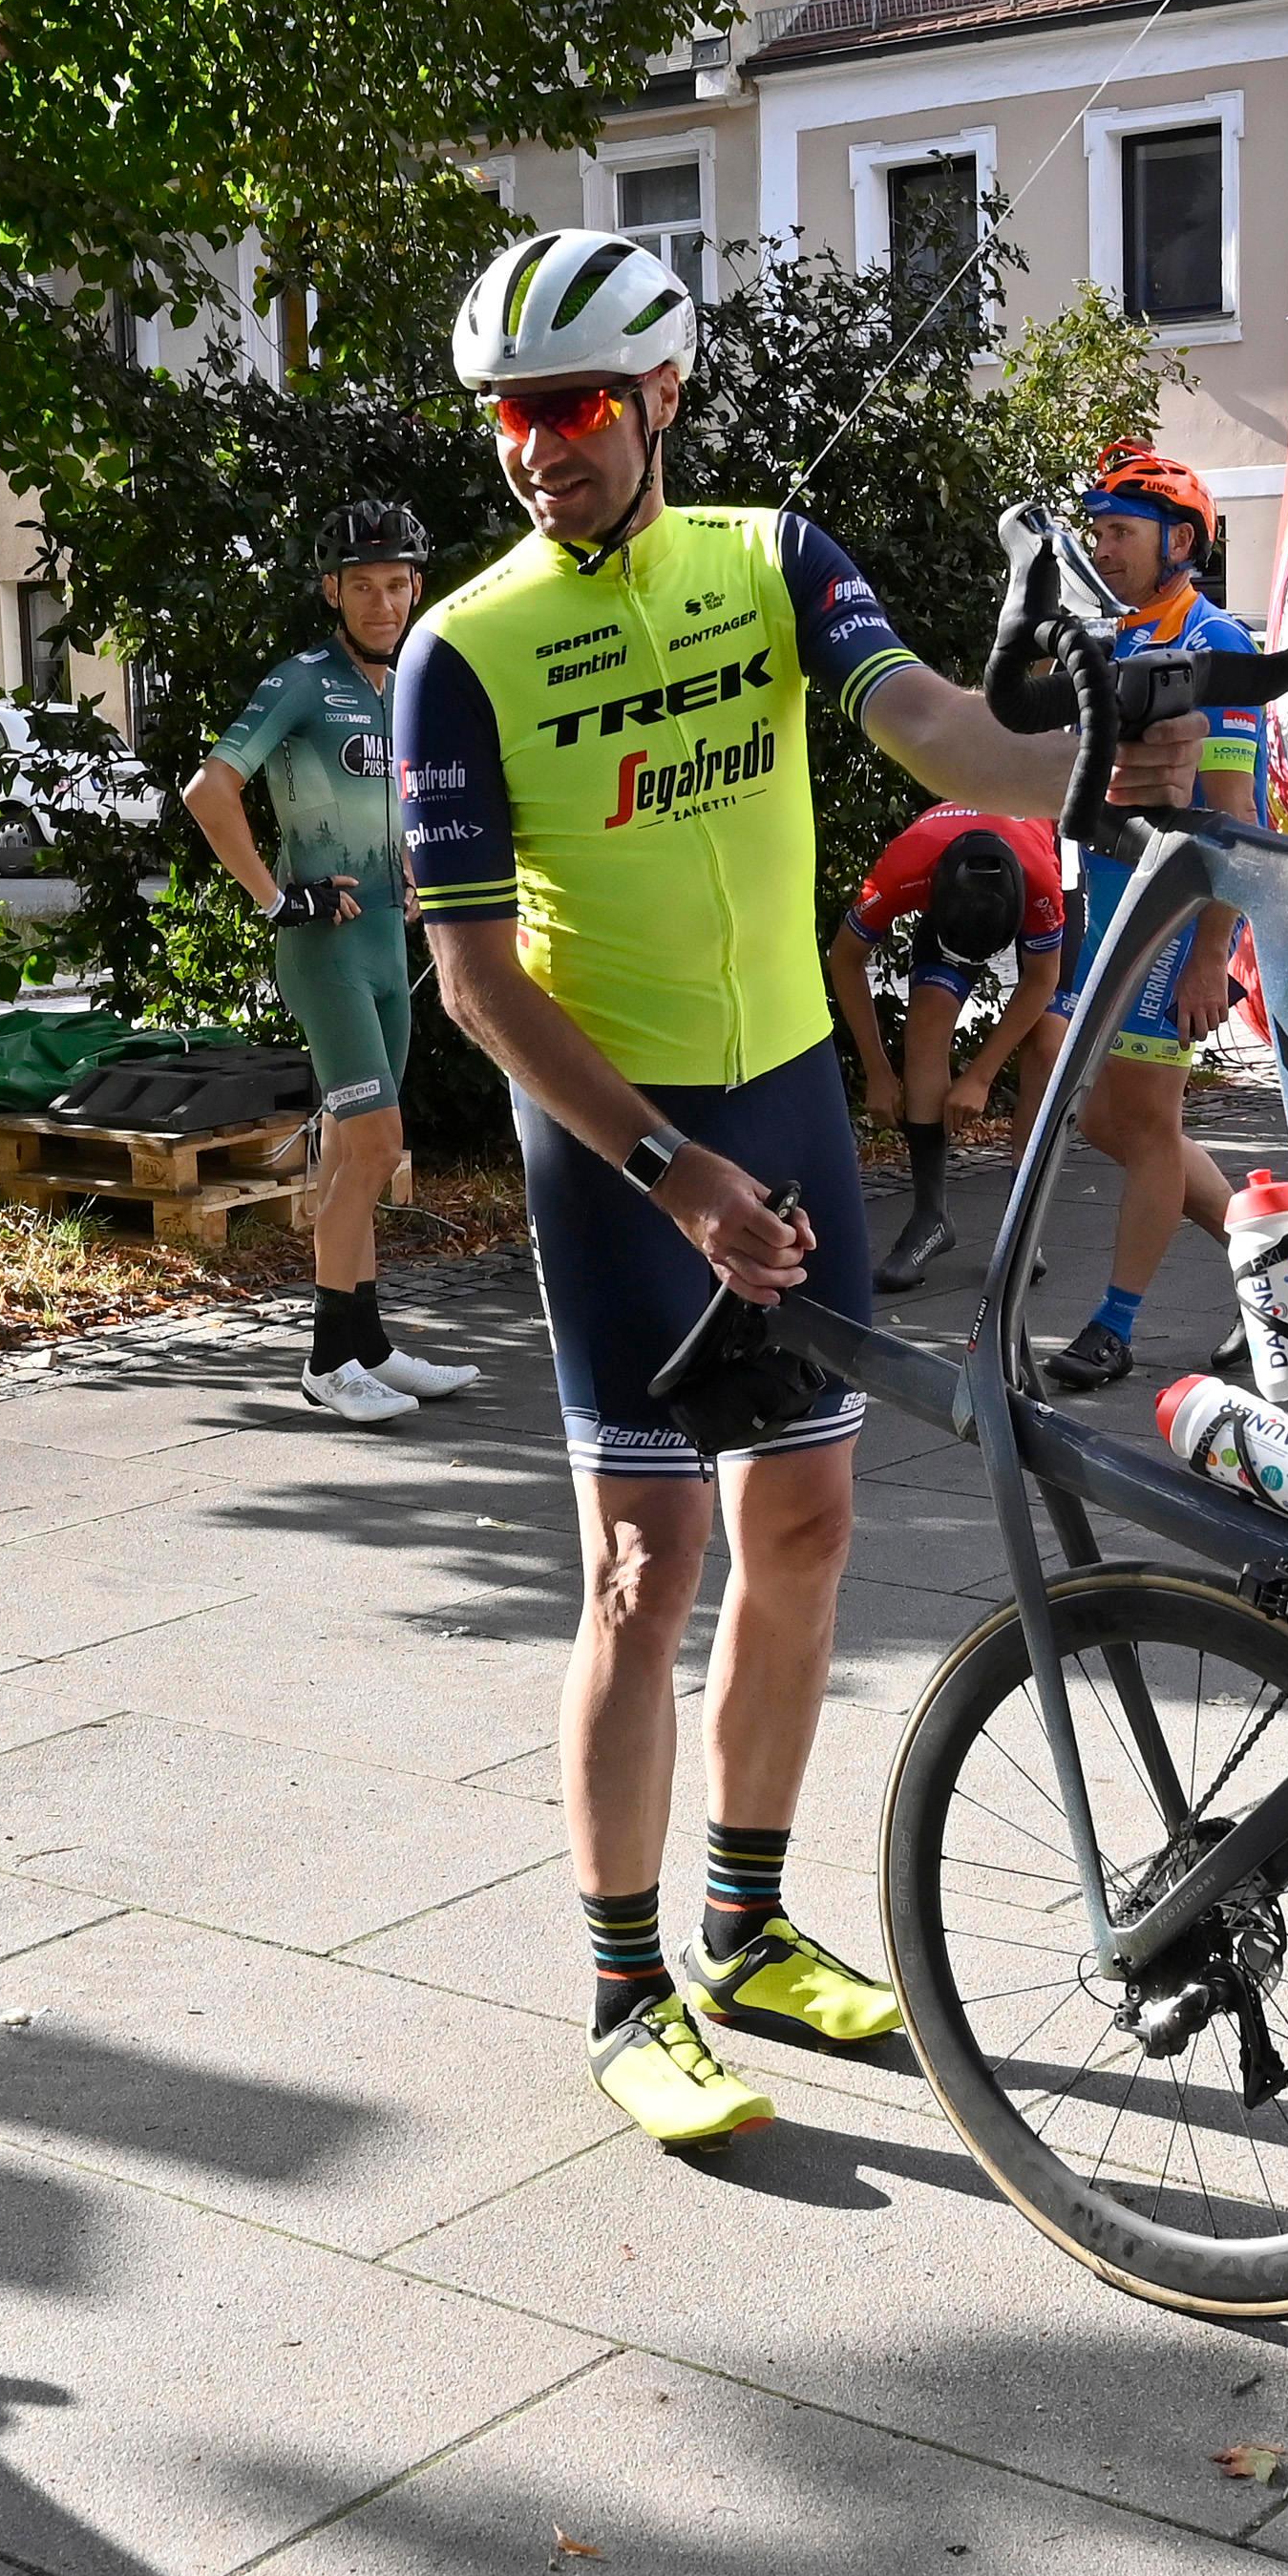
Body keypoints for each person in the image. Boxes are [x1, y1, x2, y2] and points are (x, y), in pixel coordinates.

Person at [397, 225, 1101, 2150]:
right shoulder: (462, 649)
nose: (542, 445)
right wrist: (670, 1164)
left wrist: (1084, 764)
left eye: (577, 406)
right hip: (619, 1139)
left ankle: (752, 1919)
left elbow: (936, 727)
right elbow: (472, 981)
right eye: (511, 417)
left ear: (662, 396)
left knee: (805, 1531)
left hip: (785, 1096)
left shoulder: (775, 561)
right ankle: (627, 1985)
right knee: (646, 1567)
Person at [186, 502, 477, 1423]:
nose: (383, 602)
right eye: (363, 586)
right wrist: (276, 897)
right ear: (332, 591)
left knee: (363, 1155)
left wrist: (424, 877)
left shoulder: (408, 686)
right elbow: (208, 789)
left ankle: (369, 1348)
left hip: (389, 941)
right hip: (326, 951)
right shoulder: (304, 681)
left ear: (416, 587)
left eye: (397, 585)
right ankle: (324, 1363)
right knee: (376, 1145)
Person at [1037, 445, 1256, 1393]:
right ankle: (1284, 1267)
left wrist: (1213, 955)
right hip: (1112, 902)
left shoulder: (1218, 646)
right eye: (1098, 530)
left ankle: (1116, 1325)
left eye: (1120, 531)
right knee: (1103, 1119)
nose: (1104, 547)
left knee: (1152, 1122)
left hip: (1177, 909)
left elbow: (1234, 821)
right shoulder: (1113, 636)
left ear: (1181, 541)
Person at [824, 807, 1070, 1289]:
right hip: (949, 871)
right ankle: (930, 1217)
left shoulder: (1041, 883)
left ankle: (1024, 1218)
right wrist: (876, 1070)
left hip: (1037, 864)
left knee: (1046, 1042)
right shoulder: (902, 871)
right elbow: (844, 958)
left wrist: (979, 1076)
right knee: (928, 1016)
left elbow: (1043, 977)